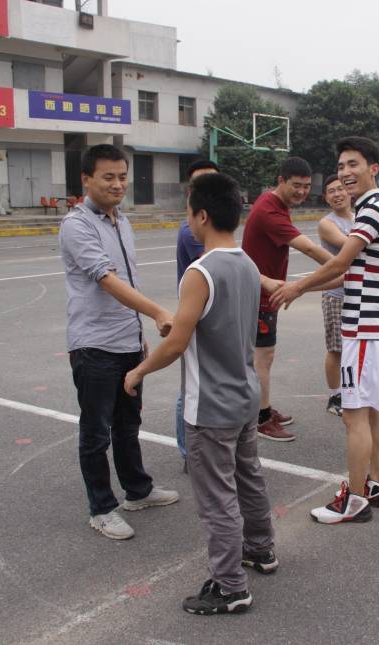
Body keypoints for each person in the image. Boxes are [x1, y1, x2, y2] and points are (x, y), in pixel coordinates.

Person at [124, 172, 276, 616]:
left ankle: (230, 586)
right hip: (244, 396)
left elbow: (176, 344)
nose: (187, 220)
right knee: (248, 477)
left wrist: (139, 370)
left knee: (216, 499)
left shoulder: (201, 271)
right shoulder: (247, 265)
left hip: (210, 405)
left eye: (189, 211)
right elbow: (217, 324)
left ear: (203, 215)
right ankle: (261, 549)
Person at [273, 136, 379, 524]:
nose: (345, 173)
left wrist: (297, 287)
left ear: (373, 168)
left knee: (353, 415)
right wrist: (297, 287)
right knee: (375, 411)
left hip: (363, 328)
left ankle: (355, 499)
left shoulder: (372, 209)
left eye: (353, 164)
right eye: (341, 166)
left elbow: (341, 261)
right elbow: (351, 273)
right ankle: (376, 485)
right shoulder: (376, 206)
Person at [58, 144, 179, 541]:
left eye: (123, 176)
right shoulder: (76, 225)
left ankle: (138, 491)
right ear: (86, 179)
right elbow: (107, 280)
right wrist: (157, 312)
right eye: (108, 177)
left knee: (128, 424)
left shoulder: (121, 222)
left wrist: (138, 335)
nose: (117, 184)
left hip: (127, 342)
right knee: (96, 432)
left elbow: (129, 281)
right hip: (94, 346)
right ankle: (101, 508)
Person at [241, 157, 334, 442]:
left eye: (306, 186)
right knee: (263, 356)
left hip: (267, 293)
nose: (302, 192)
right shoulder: (270, 211)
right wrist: (341, 266)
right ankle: (260, 418)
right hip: (259, 295)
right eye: (296, 185)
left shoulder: (275, 204)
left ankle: (262, 407)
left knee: (263, 356)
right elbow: (309, 248)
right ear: (281, 180)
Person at [174, 158, 220, 471]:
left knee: (205, 384)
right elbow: (218, 264)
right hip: (196, 316)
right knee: (190, 388)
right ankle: (190, 453)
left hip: (211, 314)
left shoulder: (212, 225)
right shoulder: (193, 231)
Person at [317, 174, 355, 416]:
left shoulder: (358, 218)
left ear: (349, 192)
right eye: (331, 191)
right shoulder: (327, 224)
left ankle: (351, 391)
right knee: (336, 348)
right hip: (336, 295)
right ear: (326, 198)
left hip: (358, 294)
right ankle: (335, 396)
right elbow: (351, 246)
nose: (337, 194)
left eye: (340, 189)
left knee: (354, 348)